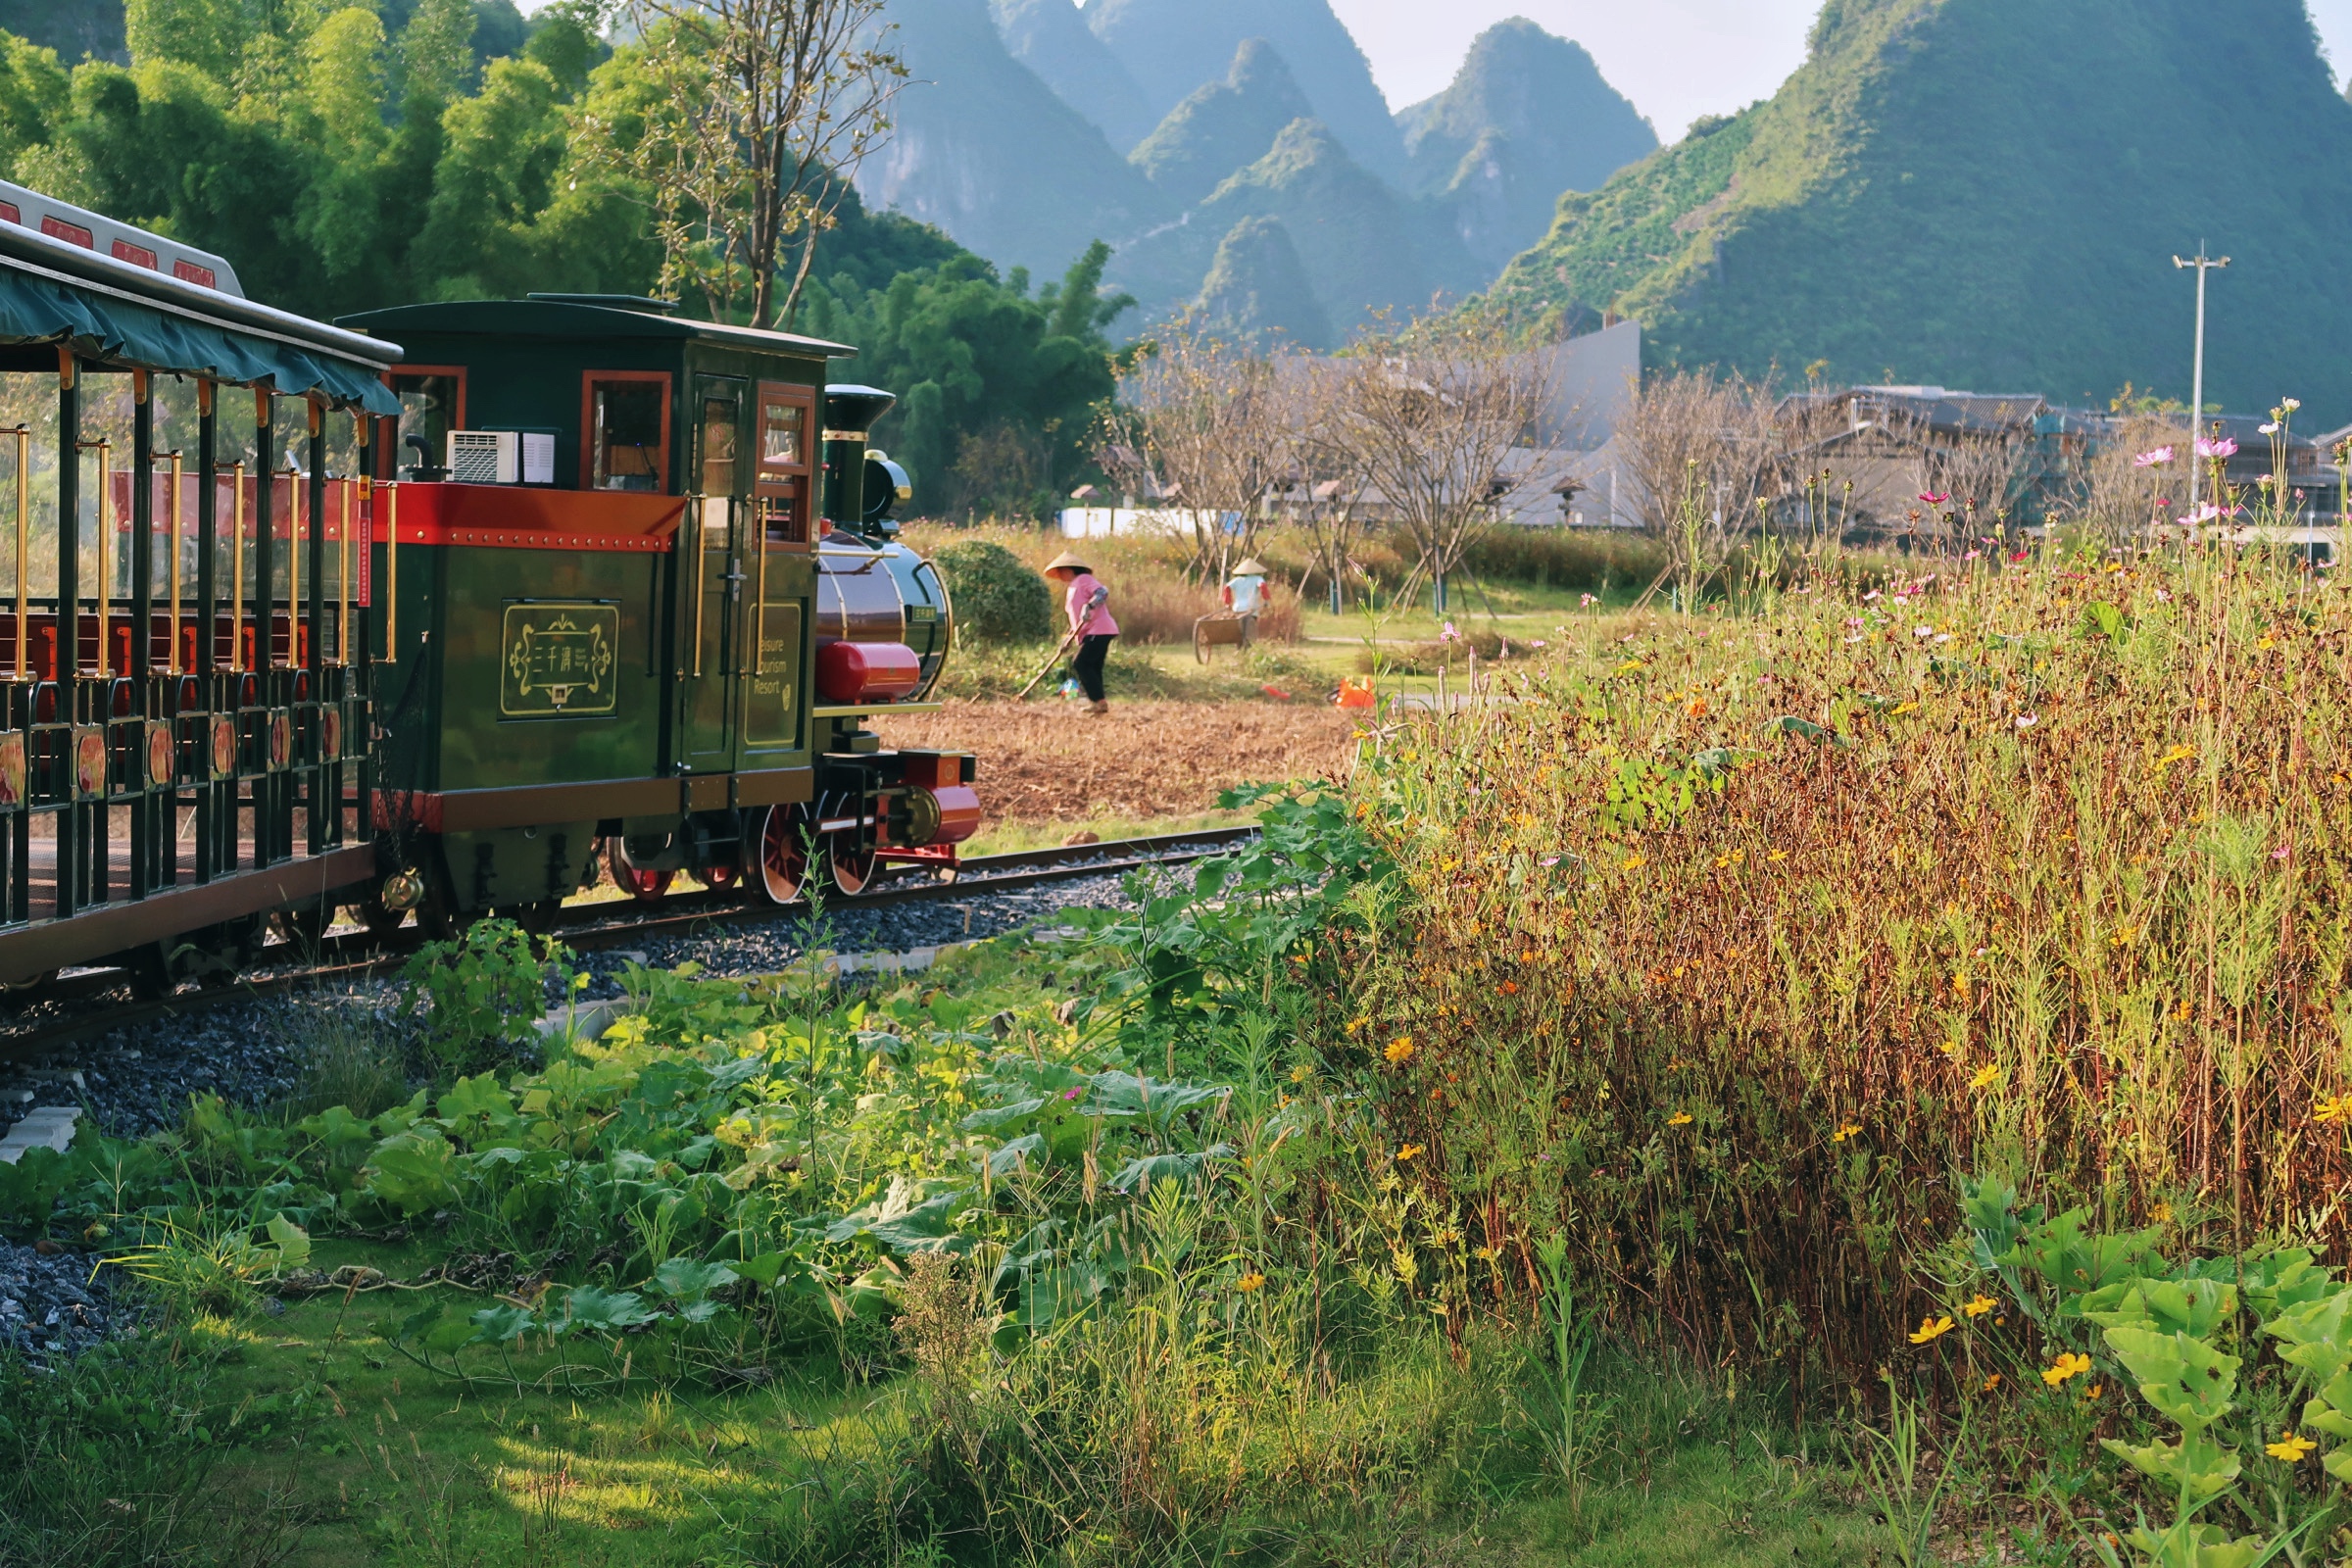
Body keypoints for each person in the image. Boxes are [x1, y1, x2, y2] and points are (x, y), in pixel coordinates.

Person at [1044, 550, 1118, 714]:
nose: (1060, 575)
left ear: (1070, 569)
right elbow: (1077, 620)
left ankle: (1098, 701)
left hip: (1099, 629)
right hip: (1090, 632)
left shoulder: (1083, 579)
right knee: (1093, 666)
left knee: (1081, 663)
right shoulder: (1072, 587)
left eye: (1061, 571)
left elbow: (1102, 592)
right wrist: (1068, 639)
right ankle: (1099, 703)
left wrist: (1090, 605)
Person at [1221, 556, 1269, 645]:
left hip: (1238, 609)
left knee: (1239, 630)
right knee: (1250, 632)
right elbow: (1263, 586)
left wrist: (1227, 602)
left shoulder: (1237, 580)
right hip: (1251, 609)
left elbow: (1227, 587)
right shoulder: (1258, 579)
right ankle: (1248, 648)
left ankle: (1239, 647)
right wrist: (1266, 600)